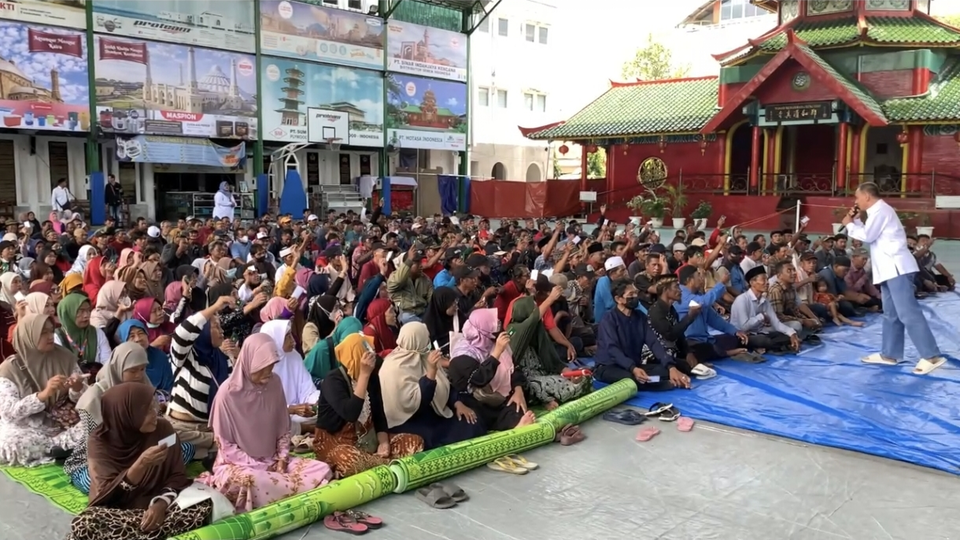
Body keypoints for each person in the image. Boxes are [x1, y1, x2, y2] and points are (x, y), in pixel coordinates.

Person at [199, 334, 332, 512]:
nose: (268, 371)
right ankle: (298, 489)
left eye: (271, 365)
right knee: (250, 481)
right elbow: (226, 446)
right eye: (263, 366)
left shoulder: (275, 383)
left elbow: (283, 429)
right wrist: (259, 466)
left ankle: (284, 489)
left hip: (274, 461)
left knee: (320, 468)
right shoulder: (227, 394)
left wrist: (283, 459)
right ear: (249, 361)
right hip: (238, 466)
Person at [66, 383, 213, 540]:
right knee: (86, 522)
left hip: (156, 507)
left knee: (204, 505)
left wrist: (160, 504)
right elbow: (107, 494)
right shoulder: (99, 442)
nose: (155, 413)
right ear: (126, 414)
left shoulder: (163, 429)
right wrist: (140, 465)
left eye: (154, 407)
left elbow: (177, 474)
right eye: (147, 410)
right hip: (115, 512)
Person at [843, 182, 946, 373]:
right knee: (891, 314)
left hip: (897, 269)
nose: (856, 201)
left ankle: (931, 356)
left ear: (866, 196)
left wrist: (849, 224)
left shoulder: (881, 210)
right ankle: (890, 354)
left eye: (857, 197)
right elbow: (870, 233)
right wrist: (855, 221)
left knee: (908, 312)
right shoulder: (876, 213)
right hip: (887, 271)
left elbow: (868, 236)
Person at [65, 343, 196, 494]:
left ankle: (140, 479)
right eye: (133, 370)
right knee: (96, 483)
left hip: (143, 451)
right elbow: (98, 448)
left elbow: (161, 429)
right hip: (106, 459)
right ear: (118, 368)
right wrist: (137, 462)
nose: (139, 375)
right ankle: (141, 479)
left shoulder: (144, 389)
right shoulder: (94, 399)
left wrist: (156, 448)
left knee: (186, 448)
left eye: (142, 369)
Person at [313, 333, 424, 477]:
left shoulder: (372, 376)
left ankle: (378, 464)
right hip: (336, 443)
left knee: (414, 442)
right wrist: (363, 375)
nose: (372, 356)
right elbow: (350, 414)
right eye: (366, 352)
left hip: (368, 440)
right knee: (350, 461)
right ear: (356, 356)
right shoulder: (332, 380)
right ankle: (390, 466)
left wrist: (384, 443)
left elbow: (379, 415)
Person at [378, 322, 485, 450]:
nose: (428, 342)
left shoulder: (423, 356)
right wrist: (431, 373)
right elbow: (417, 404)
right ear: (417, 341)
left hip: (432, 413)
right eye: (426, 338)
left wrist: (457, 403)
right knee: (431, 440)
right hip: (408, 420)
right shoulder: (393, 367)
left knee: (472, 419)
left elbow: (445, 384)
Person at [0, 314, 88, 466]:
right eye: (43, 333)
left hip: (62, 425)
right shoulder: (10, 368)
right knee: (10, 444)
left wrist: (77, 387)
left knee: (95, 426)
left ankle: (59, 447)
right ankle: (59, 448)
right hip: (26, 429)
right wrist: (42, 395)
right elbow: (8, 414)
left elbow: (85, 398)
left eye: (51, 331)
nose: (50, 336)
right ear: (29, 335)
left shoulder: (65, 357)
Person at [166, 295, 237, 460]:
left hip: (210, 429)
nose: (222, 332)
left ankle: (208, 447)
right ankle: (209, 446)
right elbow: (182, 332)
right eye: (216, 327)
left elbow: (233, 394)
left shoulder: (223, 359)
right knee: (165, 442)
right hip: (181, 429)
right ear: (203, 331)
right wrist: (214, 307)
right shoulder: (184, 356)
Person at [595, 280, 692, 390]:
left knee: (673, 368)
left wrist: (671, 367)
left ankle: (664, 379)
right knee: (631, 379)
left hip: (634, 365)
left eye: (635, 293)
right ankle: (666, 384)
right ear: (619, 299)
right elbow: (612, 349)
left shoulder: (640, 317)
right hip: (610, 366)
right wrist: (632, 368)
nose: (635, 296)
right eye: (631, 295)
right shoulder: (609, 319)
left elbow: (654, 342)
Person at [448, 308, 534, 430]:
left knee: (517, 405)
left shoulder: (492, 342)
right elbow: (479, 379)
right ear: (483, 328)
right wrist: (497, 353)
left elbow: (513, 368)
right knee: (475, 420)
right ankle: (512, 424)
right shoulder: (463, 354)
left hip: (498, 396)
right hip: (476, 399)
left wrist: (518, 390)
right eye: (494, 324)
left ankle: (515, 421)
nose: (498, 325)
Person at [506, 296, 591, 409]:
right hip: (523, 379)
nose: (537, 313)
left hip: (542, 372)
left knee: (582, 377)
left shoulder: (537, 329)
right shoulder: (514, 330)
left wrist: (568, 373)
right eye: (533, 310)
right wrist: (551, 297)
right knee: (543, 385)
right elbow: (529, 323)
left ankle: (559, 394)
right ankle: (547, 400)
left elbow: (552, 358)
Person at [260, 320, 320, 432]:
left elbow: (307, 389)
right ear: (275, 339)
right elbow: (263, 408)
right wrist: (291, 409)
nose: (293, 340)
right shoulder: (263, 366)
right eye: (287, 336)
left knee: (326, 408)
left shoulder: (294, 356)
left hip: (300, 414)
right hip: (278, 415)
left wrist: (315, 402)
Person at [730, 267, 801, 353]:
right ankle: (768, 347)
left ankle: (766, 347)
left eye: (767, 279)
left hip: (759, 332)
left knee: (789, 334)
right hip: (742, 335)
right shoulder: (742, 299)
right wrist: (761, 316)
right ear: (752, 283)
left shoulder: (765, 301)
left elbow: (776, 323)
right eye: (763, 280)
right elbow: (743, 327)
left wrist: (792, 334)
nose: (767, 283)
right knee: (763, 340)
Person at [55, 292, 112, 372]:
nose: (86, 315)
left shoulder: (97, 333)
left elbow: (107, 363)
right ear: (68, 313)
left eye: (88, 310)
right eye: (80, 311)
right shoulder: (57, 338)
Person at [119, 319, 175, 394]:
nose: (138, 339)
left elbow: (169, 387)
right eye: (132, 336)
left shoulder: (160, 357)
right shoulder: (120, 362)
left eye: (141, 333)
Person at [304, 316, 362, 383]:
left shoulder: (357, 349)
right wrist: (325, 384)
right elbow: (303, 377)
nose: (349, 348)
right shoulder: (322, 349)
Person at [422, 286, 461, 357]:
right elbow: (427, 351)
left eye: (456, 303)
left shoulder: (457, 315)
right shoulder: (428, 325)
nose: (456, 307)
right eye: (453, 304)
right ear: (442, 304)